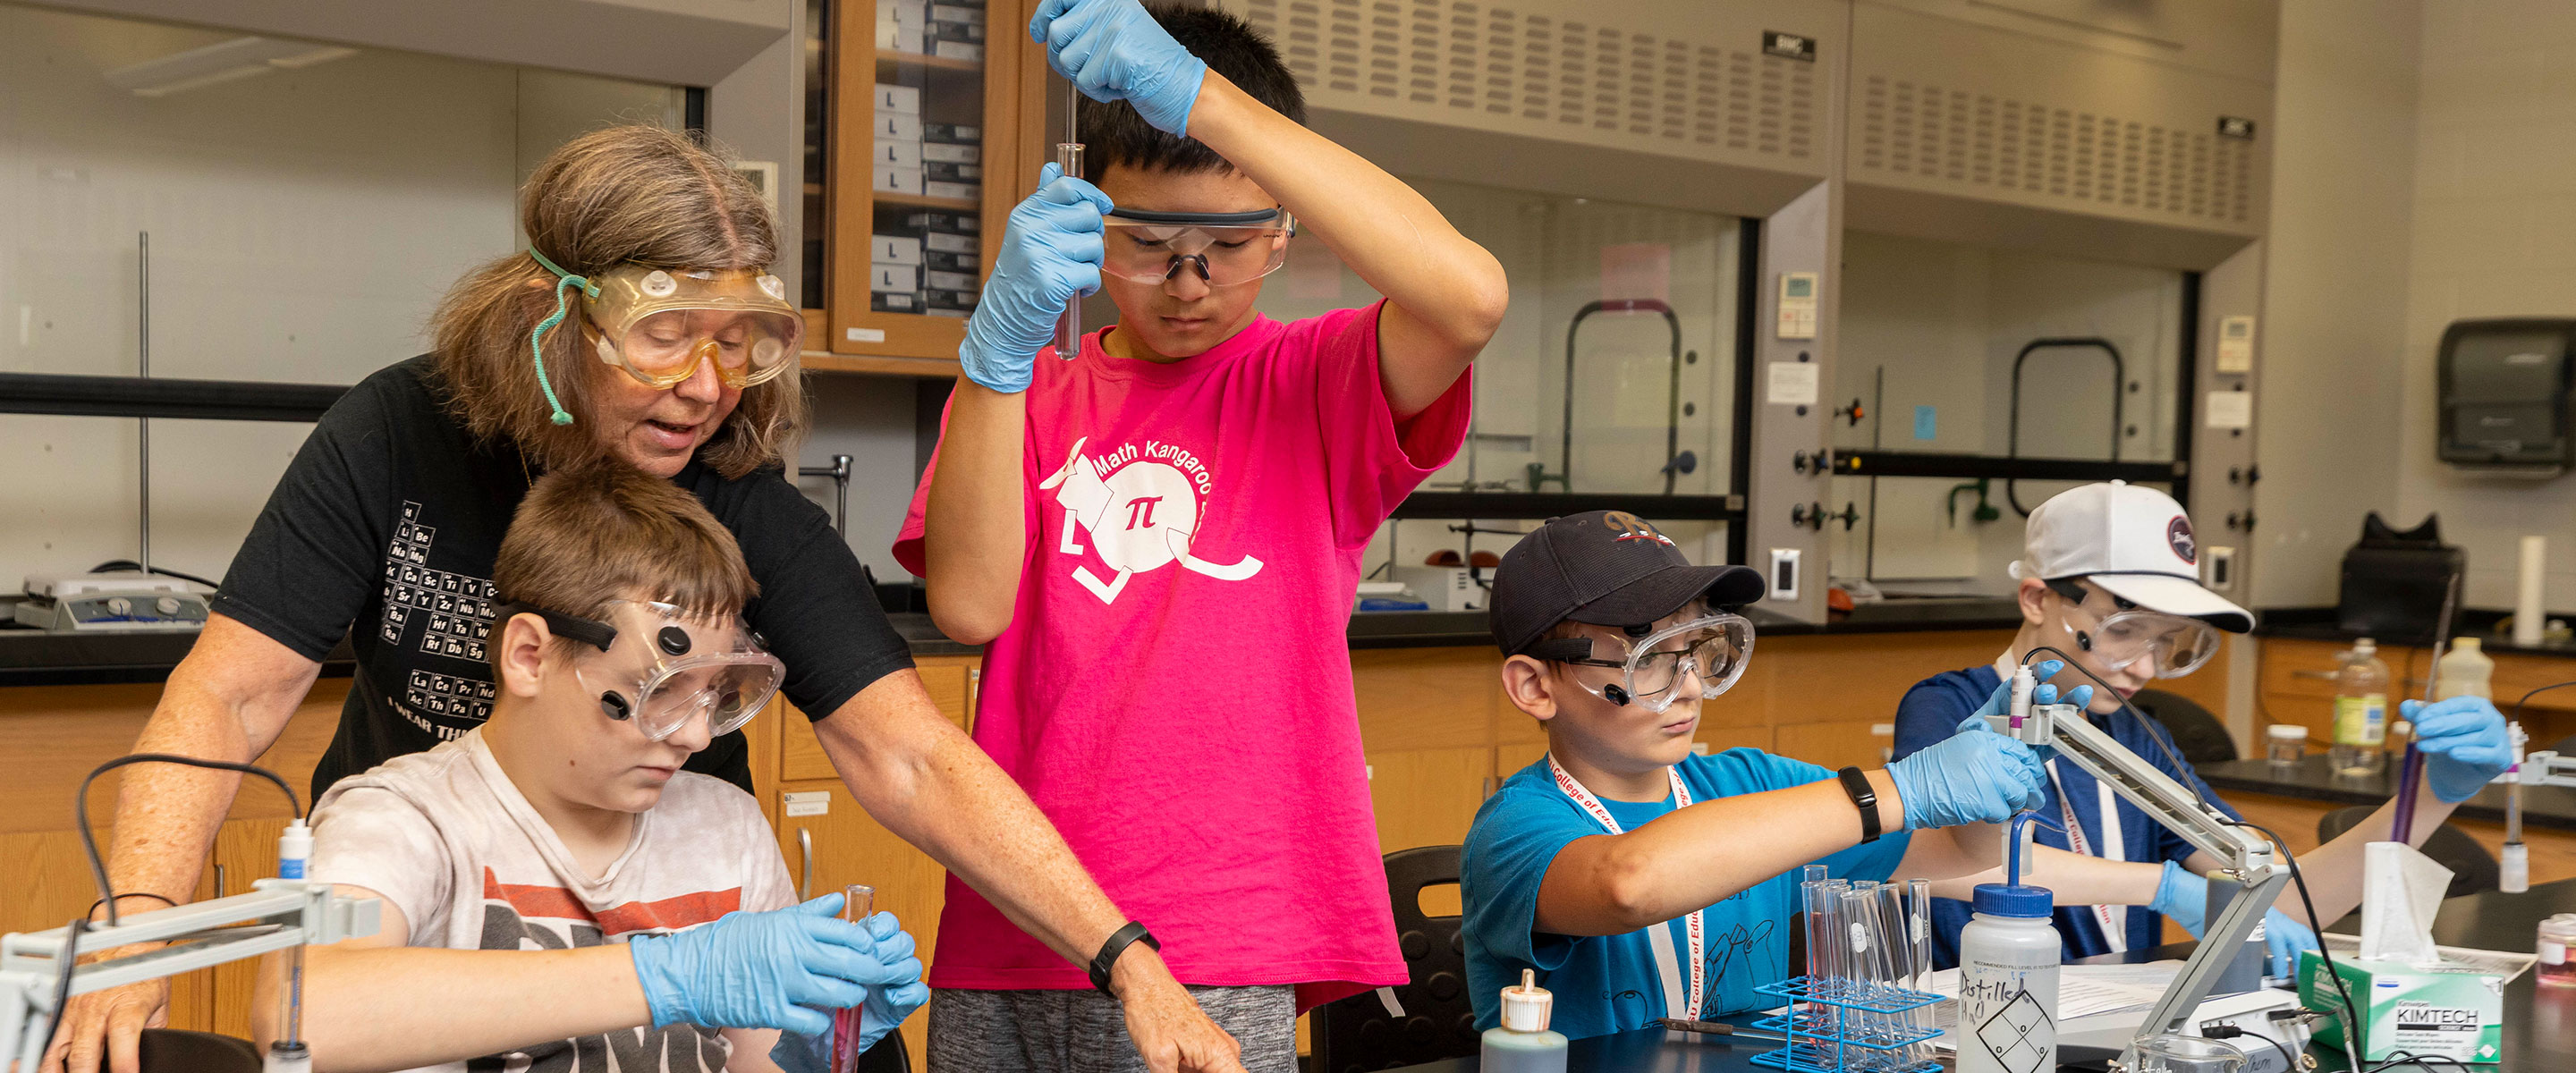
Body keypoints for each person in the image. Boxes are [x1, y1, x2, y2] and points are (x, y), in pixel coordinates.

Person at [54, 125, 1238, 1073]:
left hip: (666, 934)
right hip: (437, 925)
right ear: (553, 315)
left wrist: (1126, 959)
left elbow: (912, 756)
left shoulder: (734, 541)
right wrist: (138, 927)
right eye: (665, 337)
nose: (706, 387)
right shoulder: (397, 447)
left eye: (740, 344)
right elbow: (229, 697)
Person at [893, 0, 1506, 1067]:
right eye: (1148, 244)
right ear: (1087, 223)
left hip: (1221, 927)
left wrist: (1205, 102)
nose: (1188, 282)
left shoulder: (1315, 383)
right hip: (1016, 921)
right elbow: (970, 604)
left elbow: (1467, 300)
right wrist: (995, 356)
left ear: (1282, 233)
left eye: (1228, 245)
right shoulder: (1025, 391)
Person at [251, 463, 928, 1071]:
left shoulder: (727, 827)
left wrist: (812, 1046)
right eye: (658, 690)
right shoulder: (402, 818)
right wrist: (667, 976)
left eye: (715, 695)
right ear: (528, 657)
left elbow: (759, 1066)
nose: (694, 734)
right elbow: (309, 1016)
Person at [1461, 511, 2065, 1038]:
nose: (1692, 687)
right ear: (1535, 686)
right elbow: (1628, 884)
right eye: (1649, 660)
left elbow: (1962, 853)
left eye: (1696, 649)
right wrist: (1895, 788)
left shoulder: (1751, 784)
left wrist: (1997, 788)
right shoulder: (1514, 828)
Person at [1893, 481, 2513, 976]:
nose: (2144, 667)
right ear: (2037, 600)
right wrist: (2161, 888)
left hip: (2106, 1030)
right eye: (2124, 631)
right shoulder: (1949, 708)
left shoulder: (2133, 738)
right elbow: (1945, 863)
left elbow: (2280, 898)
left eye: (2168, 642)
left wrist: (2432, 794)